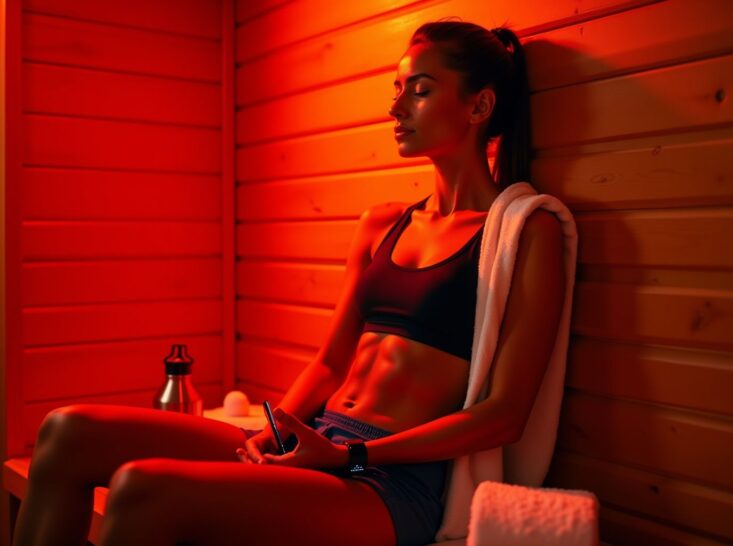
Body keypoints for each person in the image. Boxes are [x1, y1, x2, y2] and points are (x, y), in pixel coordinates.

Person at [12, 20, 567, 546]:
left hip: (392, 479)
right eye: (397, 88)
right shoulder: (383, 224)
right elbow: (329, 363)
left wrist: (350, 457)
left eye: (418, 90)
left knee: (140, 489)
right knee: (67, 432)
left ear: (480, 105)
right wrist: (273, 433)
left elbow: (504, 414)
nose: (396, 107)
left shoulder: (525, 233)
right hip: (320, 435)